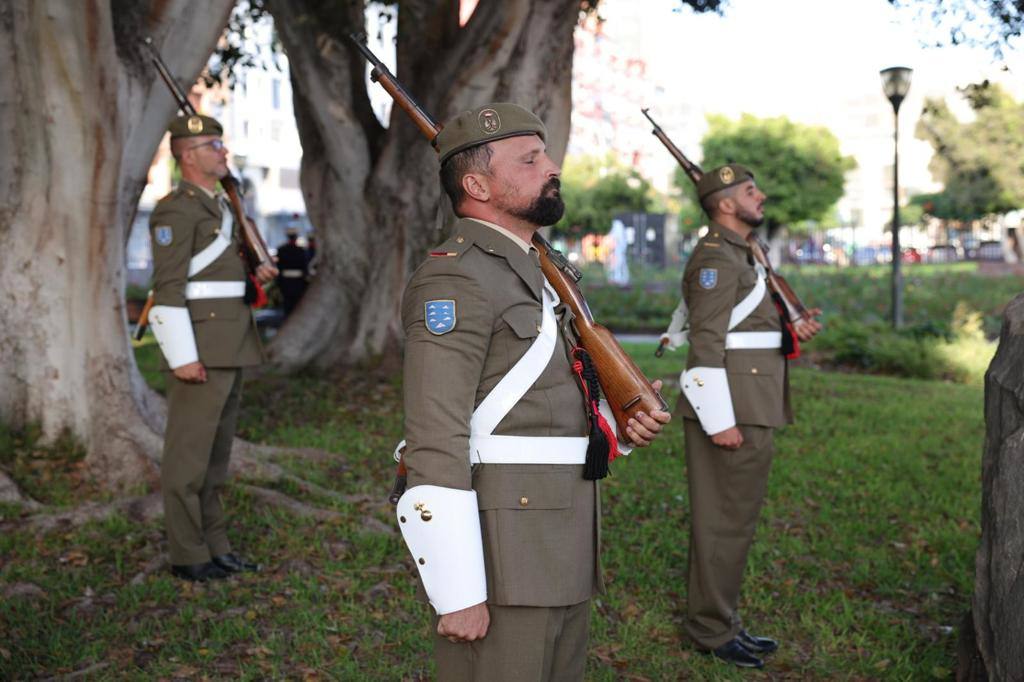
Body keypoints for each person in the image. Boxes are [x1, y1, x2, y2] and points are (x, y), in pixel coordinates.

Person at [396, 103, 671, 681]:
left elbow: (542, 390)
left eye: (544, 155)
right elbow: (435, 436)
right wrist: (458, 590)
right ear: (477, 186)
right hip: (504, 553)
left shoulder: (540, 269)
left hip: (561, 530)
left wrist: (615, 419)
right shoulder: (457, 276)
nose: (552, 167)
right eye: (529, 160)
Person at [675, 164, 821, 668]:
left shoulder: (742, 253)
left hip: (751, 400)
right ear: (724, 204)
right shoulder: (716, 258)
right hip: (732, 406)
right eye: (749, 191)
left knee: (734, 521)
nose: (761, 197)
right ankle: (711, 629)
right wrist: (719, 421)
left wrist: (791, 329)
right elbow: (705, 342)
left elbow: (746, 327)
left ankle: (723, 620)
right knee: (722, 522)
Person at [147, 114, 277, 582]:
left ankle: (216, 546)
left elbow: (221, 276)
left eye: (221, 144)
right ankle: (188, 553)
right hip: (200, 346)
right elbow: (168, 289)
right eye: (213, 145)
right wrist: (182, 356)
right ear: (187, 156)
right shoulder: (176, 210)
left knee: (215, 460)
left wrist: (256, 274)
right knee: (188, 460)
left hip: (230, 341)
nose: (223, 152)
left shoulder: (222, 205)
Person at [275, 225, 309, 317]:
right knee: (297, 305)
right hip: (298, 282)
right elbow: (304, 267)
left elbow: (279, 267)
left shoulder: (281, 250)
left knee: (288, 304)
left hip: (286, 281)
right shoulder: (301, 250)